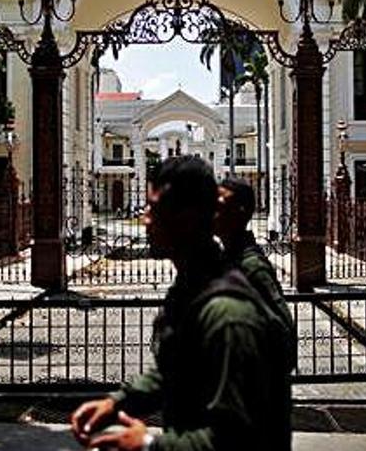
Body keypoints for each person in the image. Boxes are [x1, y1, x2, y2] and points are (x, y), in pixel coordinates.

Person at [70, 156, 293, 451]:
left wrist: (148, 443)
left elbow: (239, 440)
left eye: (155, 209)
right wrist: (118, 402)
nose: (145, 219)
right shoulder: (191, 287)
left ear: (188, 217)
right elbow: (176, 368)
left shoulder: (227, 314)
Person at [215, 177, 296, 370]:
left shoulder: (251, 267)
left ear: (238, 213)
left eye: (219, 206)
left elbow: (285, 338)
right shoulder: (227, 259)